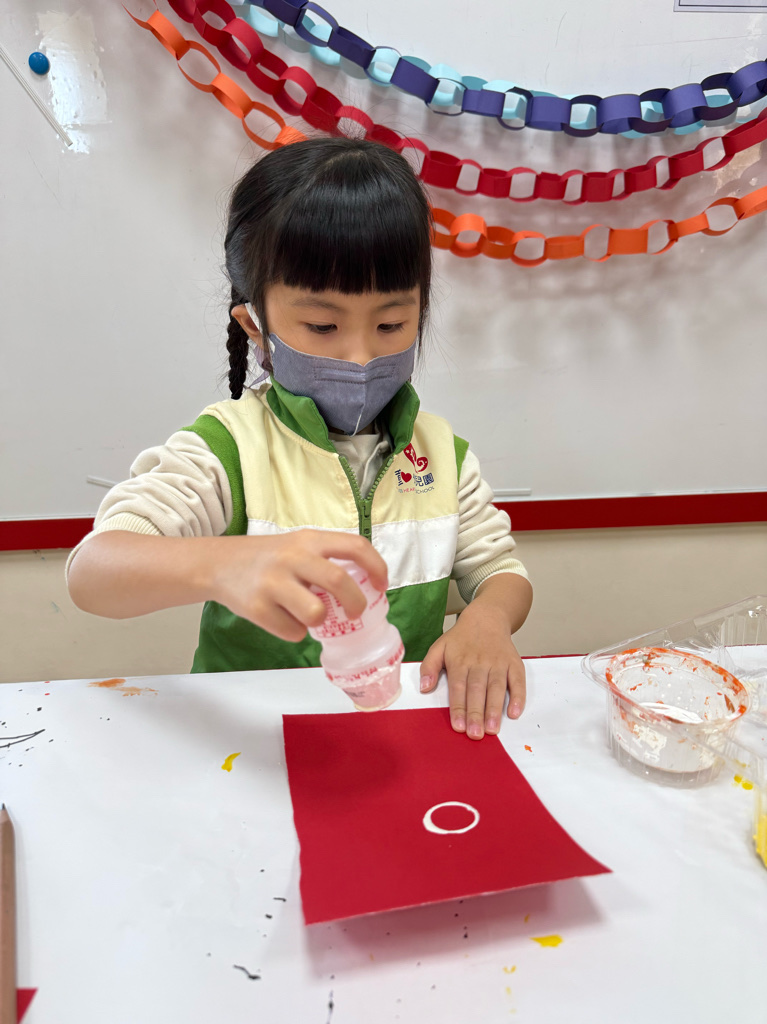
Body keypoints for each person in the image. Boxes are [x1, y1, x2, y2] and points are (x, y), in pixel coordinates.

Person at [67, 137, 533, 740]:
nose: (360, 355)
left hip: (393, 737)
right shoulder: (230, 449)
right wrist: (224, 565)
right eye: (322, 324)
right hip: (252, 745)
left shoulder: (440, 453)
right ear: (255, 326)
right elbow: (95, 572)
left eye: (392, 323)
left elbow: (500, 571)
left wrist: (488, 619)